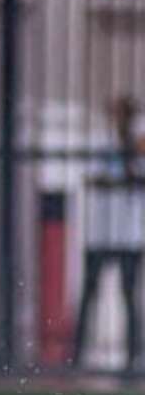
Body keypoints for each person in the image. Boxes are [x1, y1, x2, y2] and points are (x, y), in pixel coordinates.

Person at [73, 95, 145, 373]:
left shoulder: (138, 146)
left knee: (130, 295)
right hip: (100, 231)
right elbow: (90, 177)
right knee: (89, 292)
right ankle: (77, 355)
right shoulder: (99, 143)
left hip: (130, 233)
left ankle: (132, 357)